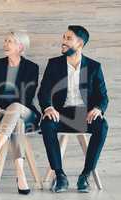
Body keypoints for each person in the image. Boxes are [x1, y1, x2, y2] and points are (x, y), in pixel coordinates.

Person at [38, 25, 109, 193]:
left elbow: (103, 96)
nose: (63, 41)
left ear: (80, 43)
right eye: (64, 37)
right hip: (60, 115)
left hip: (84, 116)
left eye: (68, 38)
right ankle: (60, 175)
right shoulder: (54, 64)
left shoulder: (93, 67)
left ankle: (85, 175)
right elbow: (43, 91)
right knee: (47, 124)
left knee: (102, 126)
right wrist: (48, 107)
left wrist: (98, 108)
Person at [0, 31, 41, 195]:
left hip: (27, 113)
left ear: (20, 46)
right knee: (17, 125)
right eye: (5, 40)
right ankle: (20, 174)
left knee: (16, 107)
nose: (5, 44)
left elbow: (26, 97)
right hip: (4, 117)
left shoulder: (31, 68)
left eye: (10, 41)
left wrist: (1, 110)